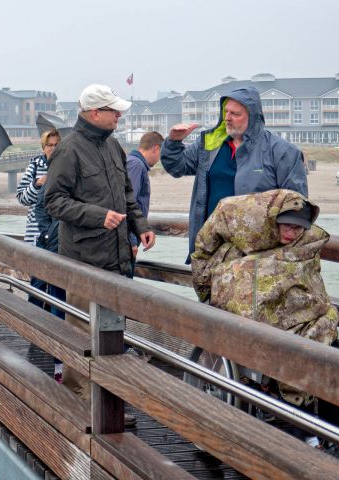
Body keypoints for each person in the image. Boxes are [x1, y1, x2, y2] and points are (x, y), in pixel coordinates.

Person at [191, 189, 339, 461]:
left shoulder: (303, 246)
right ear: (273, 220)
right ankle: (304, 433)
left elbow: (308, 285)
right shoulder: (241, 234)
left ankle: (334, 434)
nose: (292, 234)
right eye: (287, 227)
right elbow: (208, 252)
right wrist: (205, 289)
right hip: (254, 323)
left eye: (299, 229)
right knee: (296, 355)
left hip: (292, 315)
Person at [44, 84, 156, 411]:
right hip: (83, 257)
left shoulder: (114, 147)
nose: (119, 115)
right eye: (114, 111)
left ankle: (109, 400)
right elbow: (53, 202)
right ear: (95, 113)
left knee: (113, 331)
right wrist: (97, 216)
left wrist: (142, 227)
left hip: (116, 255)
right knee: (82, 330)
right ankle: (82, 401)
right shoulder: (69, 150)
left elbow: (127, 195)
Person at [161, 86, 308, 261]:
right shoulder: (210, 144)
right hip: (211, 249)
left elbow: (297, 202)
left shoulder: (283, 152)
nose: (228, 118)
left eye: (235, 114)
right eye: (226, 112)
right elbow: (177, 167)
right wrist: (173, 142)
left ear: (253, 118)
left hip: (257, 253)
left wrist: (287, 235)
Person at [16, 129, 61, 307]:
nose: (53, 148)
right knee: (38, 283)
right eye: (49, 145)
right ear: (43, 148)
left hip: (58, 235)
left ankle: (53, 322)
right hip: (37, 235)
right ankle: (35, 321)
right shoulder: (35, 165)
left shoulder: (67, 166)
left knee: (57, 282)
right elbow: (22, 198)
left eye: (57, 145)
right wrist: (36, 184)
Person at [33, 155, 65, 383]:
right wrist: (47, 233)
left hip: (75, 251)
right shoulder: (54, 175)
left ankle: (66, 362)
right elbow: (39, 207)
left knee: (68, 306)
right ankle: (58, 363)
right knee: (56, 304)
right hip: (53, 248)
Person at [126, 131, 163, 275]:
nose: (159, 159)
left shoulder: (133, 162)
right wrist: (131, 240)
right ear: (156, 148)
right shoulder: (136, 165)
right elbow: (128, 202)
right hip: (127, 241)